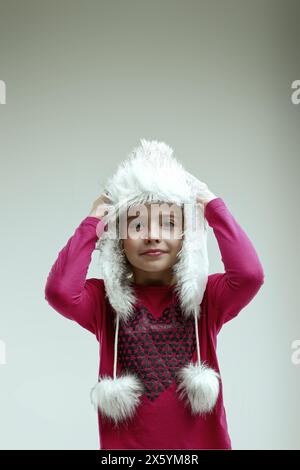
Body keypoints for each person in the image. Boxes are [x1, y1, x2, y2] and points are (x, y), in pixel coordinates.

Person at [44, 138, 264, 450]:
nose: (152, 235)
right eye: (136, 226)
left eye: (169, 223)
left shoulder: (207, 297)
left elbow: (250, 276)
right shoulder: (103, 301)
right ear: (118, 240)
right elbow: (59, 292)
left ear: (187, 237)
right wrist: (94, 220)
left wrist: (212, 206)